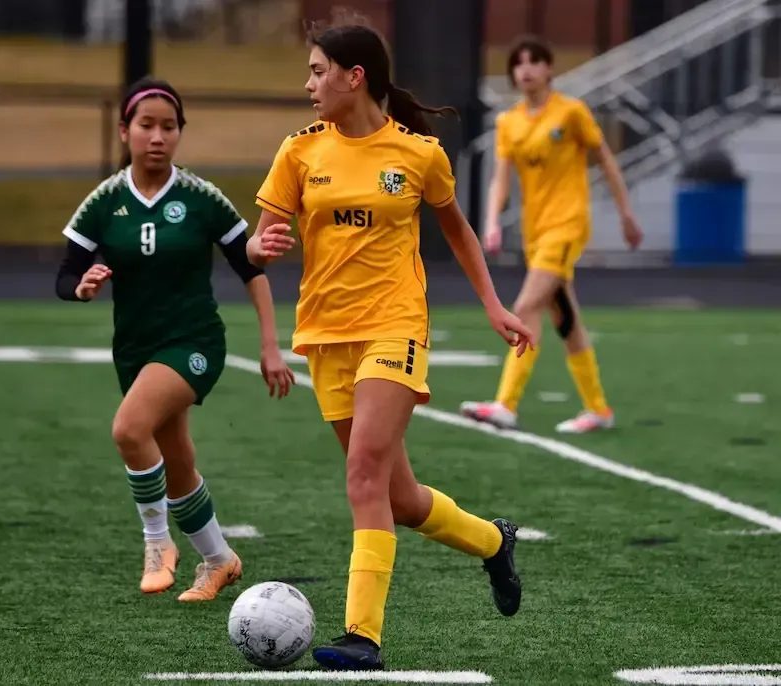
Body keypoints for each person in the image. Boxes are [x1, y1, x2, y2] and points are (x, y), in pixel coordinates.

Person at [246, 18, 536, 672]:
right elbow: (255, 242)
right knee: (399, 499)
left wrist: (494, 304)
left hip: (395, 326)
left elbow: (457, 231)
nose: (309, 84)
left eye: (319, 71)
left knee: (363, 476)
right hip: (324, 336)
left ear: (356, 78)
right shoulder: (298, 152)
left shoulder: (417, 153)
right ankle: (494, 542)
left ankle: (363, 636)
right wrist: (255, 245)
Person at [55, 77, 295, 602]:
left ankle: (157, 542)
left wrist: (270, 345)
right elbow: (66, 273)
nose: (158, 136)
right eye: (146, 126)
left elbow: (249, 265)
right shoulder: (104, 202)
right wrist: (82, 285)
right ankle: (219, 559)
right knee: (178, 461)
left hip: (194, 342)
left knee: (127, 429)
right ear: (125, 131)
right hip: (136, 349)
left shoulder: (200, 197)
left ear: (181, 133)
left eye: (169, 126)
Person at [461, 36, 643, 434]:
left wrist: (627, 215)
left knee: (525, 307)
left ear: (549, 69)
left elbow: (606, 162)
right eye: (518, 63)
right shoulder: (509, 122)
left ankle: (505, 404)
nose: (525, 69)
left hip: (567, 225)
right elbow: (500, 181)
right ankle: (598, 410)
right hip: (535, 232)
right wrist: (492, 222)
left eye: (534, 61)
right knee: (566, 320)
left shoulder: (571, 113)